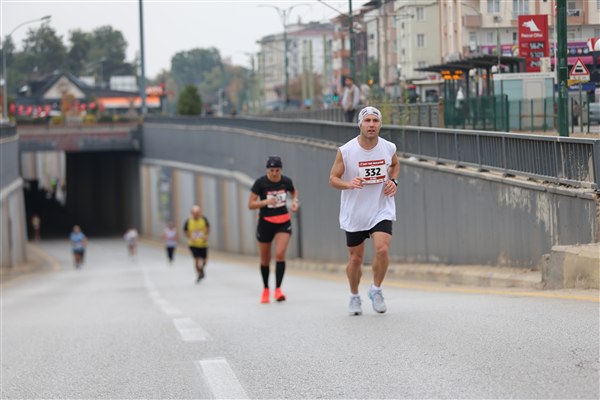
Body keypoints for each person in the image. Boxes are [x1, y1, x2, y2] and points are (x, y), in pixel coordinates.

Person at [329, 106, 400, 315]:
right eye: (367, 121)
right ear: (360, 124)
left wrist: (394, 181)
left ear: (380, 124)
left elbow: (395, 165)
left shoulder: (388, 147)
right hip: (355, 212)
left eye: (375, 121)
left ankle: (376, 289)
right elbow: (332, 179)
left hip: (380, 207)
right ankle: (354, 295)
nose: (371, 125)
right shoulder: (346, 151)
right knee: (355, 259)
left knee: (382, 249)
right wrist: (349, 184)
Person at [248, 155, 299, 303]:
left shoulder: (286, 181)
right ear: (267, 170)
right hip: (265, 222)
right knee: (265, 259)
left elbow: (294, 191)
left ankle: (278, 289)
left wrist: (294, 201)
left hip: (283, 221)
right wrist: (265, 202)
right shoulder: (260, 183)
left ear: (280, 170)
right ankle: (265, 289)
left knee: (280, 253)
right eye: (271, 170)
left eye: (277, 170)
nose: (274, 173)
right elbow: (250, 204)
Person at [183, 205, 210, 283]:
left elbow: (207, 227)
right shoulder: (188, 221)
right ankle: (199, 274)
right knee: (196, 259)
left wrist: (206, 235)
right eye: (195, 213)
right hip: (193, 244)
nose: (196, 214)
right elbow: (185, 231)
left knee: (204, 260)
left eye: (198, 213)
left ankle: (201, 269)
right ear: (192, 213)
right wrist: (190, 237)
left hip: (203, 243)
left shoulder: (203, 219)